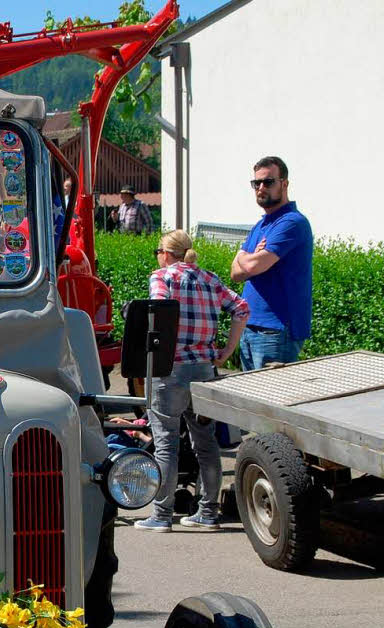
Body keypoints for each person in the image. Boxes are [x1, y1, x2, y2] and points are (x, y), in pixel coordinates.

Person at [134, 230, 249, 532]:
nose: (157, 256)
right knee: (206, 444)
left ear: (167, 254)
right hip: (203, 370)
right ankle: (208, 512)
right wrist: (226, 351)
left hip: (169, 371)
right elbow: (241, 308)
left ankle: (161, 515)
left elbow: (156, 311)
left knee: (165, 446)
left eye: (158, 251)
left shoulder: (162, 277)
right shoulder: (210, 280)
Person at [230, 156, 313, 370]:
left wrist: (242, 256)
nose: (260, 188)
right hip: (249, 327)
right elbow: (235, 274)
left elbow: (250, 267)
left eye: (268, 182)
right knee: (249, 401)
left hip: (276, 331)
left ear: (284, 184)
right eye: (256, 183)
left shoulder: (292, 222)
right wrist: (248, 259)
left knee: (268, 401)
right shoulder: (261, 225)